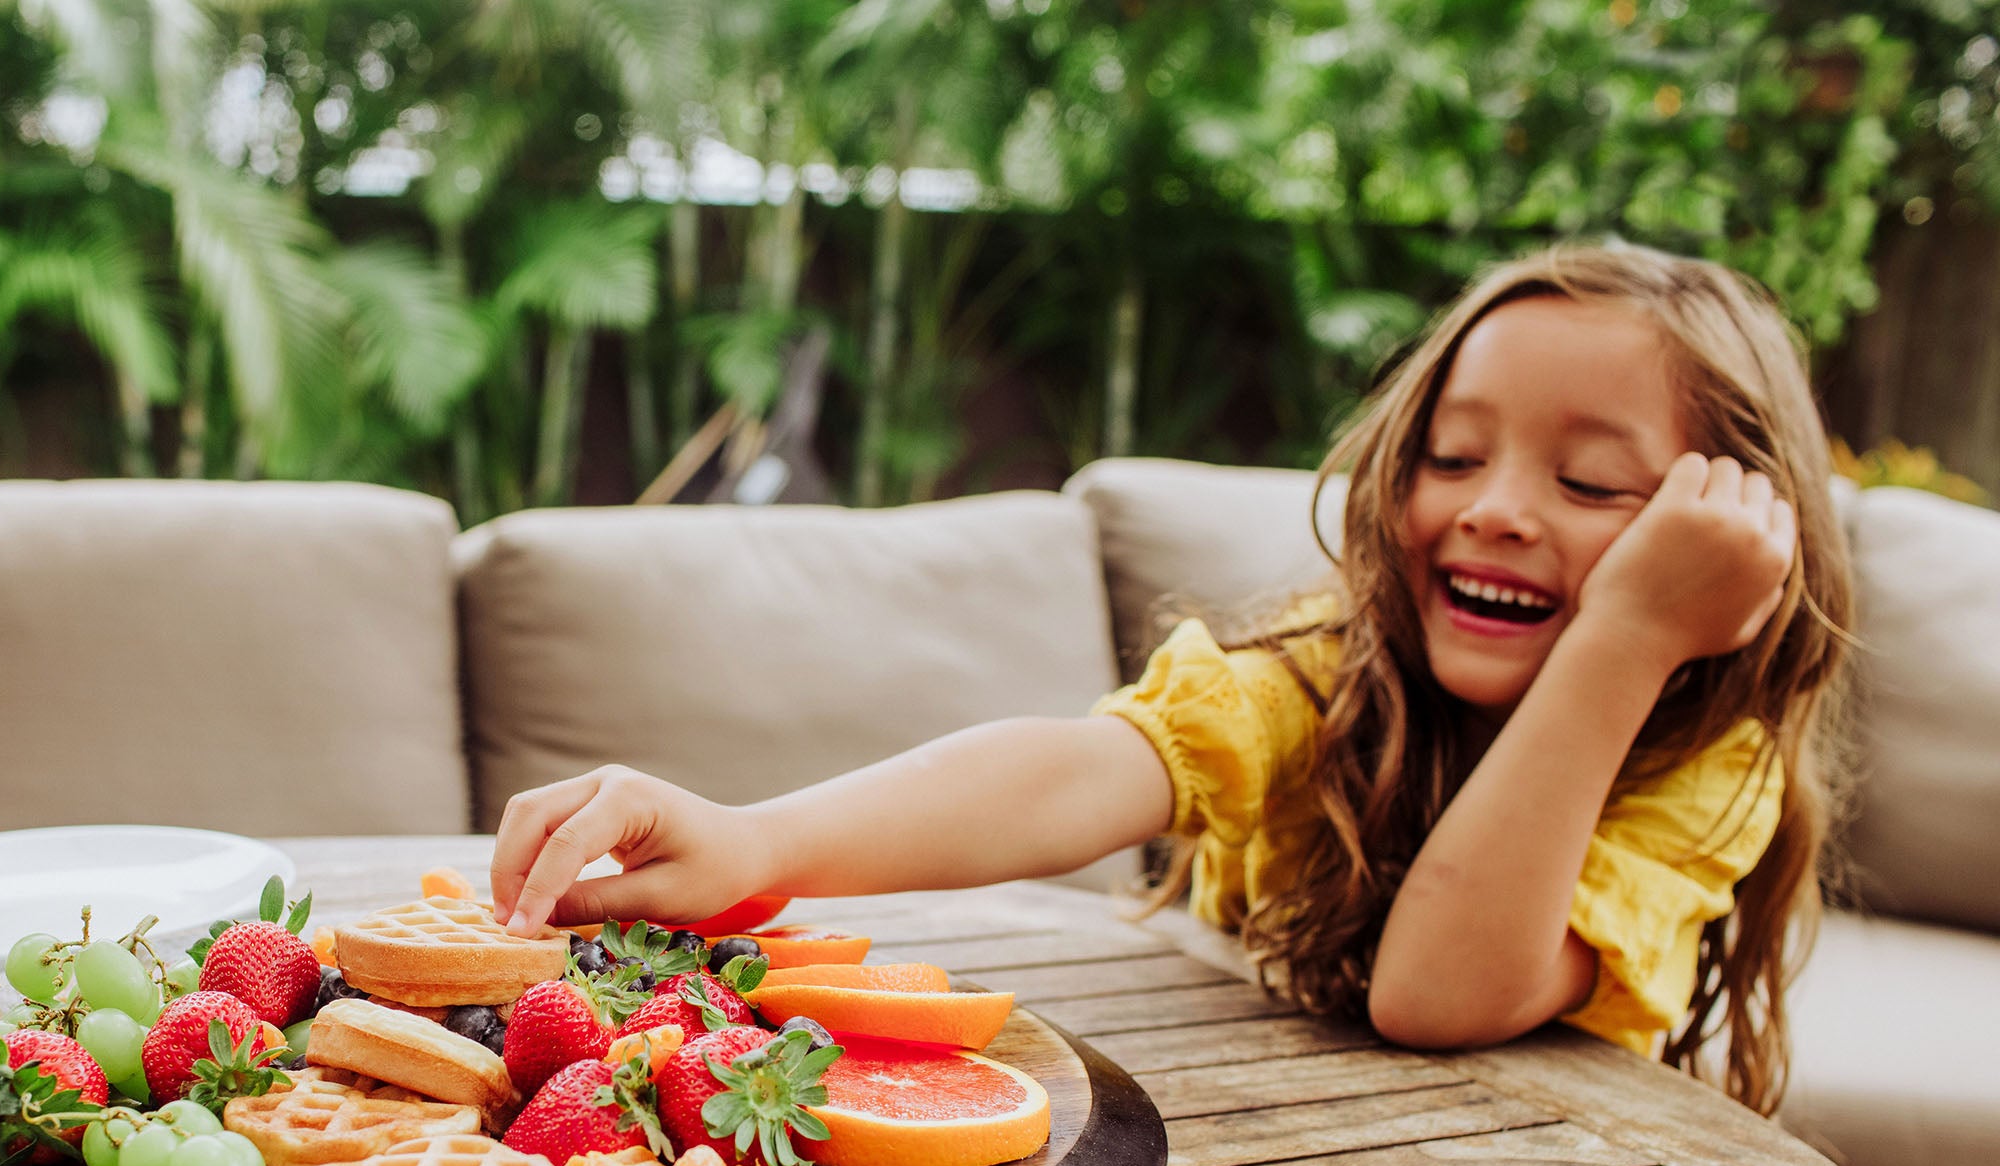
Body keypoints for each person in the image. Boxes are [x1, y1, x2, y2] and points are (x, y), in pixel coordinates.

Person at [489, 243, 1852, 1114]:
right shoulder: (1331, 663)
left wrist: (1627, 636)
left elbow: (1437, 992)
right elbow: (1085, 768)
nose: (1493, 509)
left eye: (1590, 482)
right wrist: (757, 838)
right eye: (1451, 456)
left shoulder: (1705, 759)